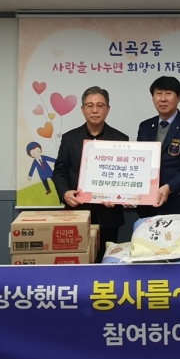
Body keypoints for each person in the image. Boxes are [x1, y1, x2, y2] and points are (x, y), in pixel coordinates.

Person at [53, 86, 128, 263]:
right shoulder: (70, 138)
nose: (95, 110)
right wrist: (65, 193)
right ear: (82, 109)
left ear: (108, 109)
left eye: (100, 105)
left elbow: (124, 175)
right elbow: (60, 170)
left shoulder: (121, 139)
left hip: (109, 215)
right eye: (90, 105)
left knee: (107, 263)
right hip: (77, 213)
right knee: (75, 263)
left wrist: (117, 195)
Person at [136, 76, 180, 218]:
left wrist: (170, 187)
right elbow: (139, 162)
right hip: (148, 204)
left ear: (178, 98)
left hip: (179, 203)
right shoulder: (145, 126)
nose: (163, 99)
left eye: (168, 94)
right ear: (153, 98)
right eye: (158, 94)